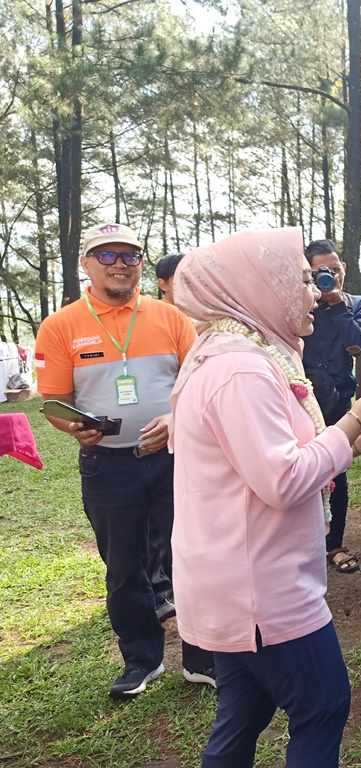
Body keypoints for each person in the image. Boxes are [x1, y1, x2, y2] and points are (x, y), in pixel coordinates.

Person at [169, 227, 361, 768]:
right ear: (257, 287)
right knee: (323, 707)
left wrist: (357, 441)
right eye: (300, 281)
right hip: (260, 589)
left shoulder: (236, 354)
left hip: (237, 580)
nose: (313, 294)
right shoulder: (241, 369)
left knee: (244, 712)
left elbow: (269, 457)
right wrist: (352, 422)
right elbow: (282, 480)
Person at [34, 222, 214, 697]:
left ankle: (202, 656)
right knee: (123, 568)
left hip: (175, 456)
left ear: (140, 264)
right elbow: (54, 401)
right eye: (107, 255)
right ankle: (141, 660)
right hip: (107, 465)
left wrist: (176, 419)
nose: (119, 264)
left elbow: (198, 385)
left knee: (191, 555)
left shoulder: (171, 317)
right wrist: (74, 427)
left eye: (129, 256)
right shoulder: (60, 326)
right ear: (86, 264)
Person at [300, 239, 361, 574]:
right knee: (301, 470)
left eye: (334, 269)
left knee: (336, 471)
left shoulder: (356, 304)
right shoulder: (303, 302)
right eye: (320, 272)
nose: (329, 276)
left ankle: (335, 544)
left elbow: (360, 345)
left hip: (338, 400)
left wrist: (338, 305)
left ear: (343, 268)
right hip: (301, 399)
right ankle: (303, 543)